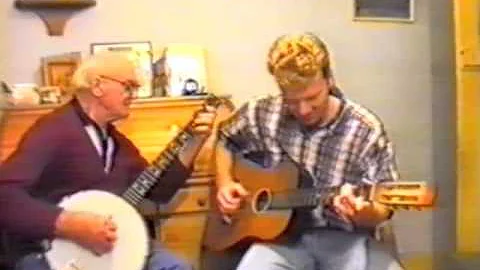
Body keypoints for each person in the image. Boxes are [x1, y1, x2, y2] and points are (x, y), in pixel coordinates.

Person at [0, 52, 217, 270]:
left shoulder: (118, 143)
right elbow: (5, 194)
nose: (134, 95)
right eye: (128, 86)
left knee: (175, 267)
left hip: (112, 247)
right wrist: (68, 224)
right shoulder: (53, 129)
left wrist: (194, 141)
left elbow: (158, 191)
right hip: (51, 251)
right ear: (97, 86)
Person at [213, 33, 404, 270]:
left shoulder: (365, 130)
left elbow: (383, 209)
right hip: (278, 241)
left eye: (312, 98)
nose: (303, 110)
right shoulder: (261, 112)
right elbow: (225, 139)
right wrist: (225, 183)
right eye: (292, 101)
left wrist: (361, 212)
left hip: (344, 240)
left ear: (329, 80)